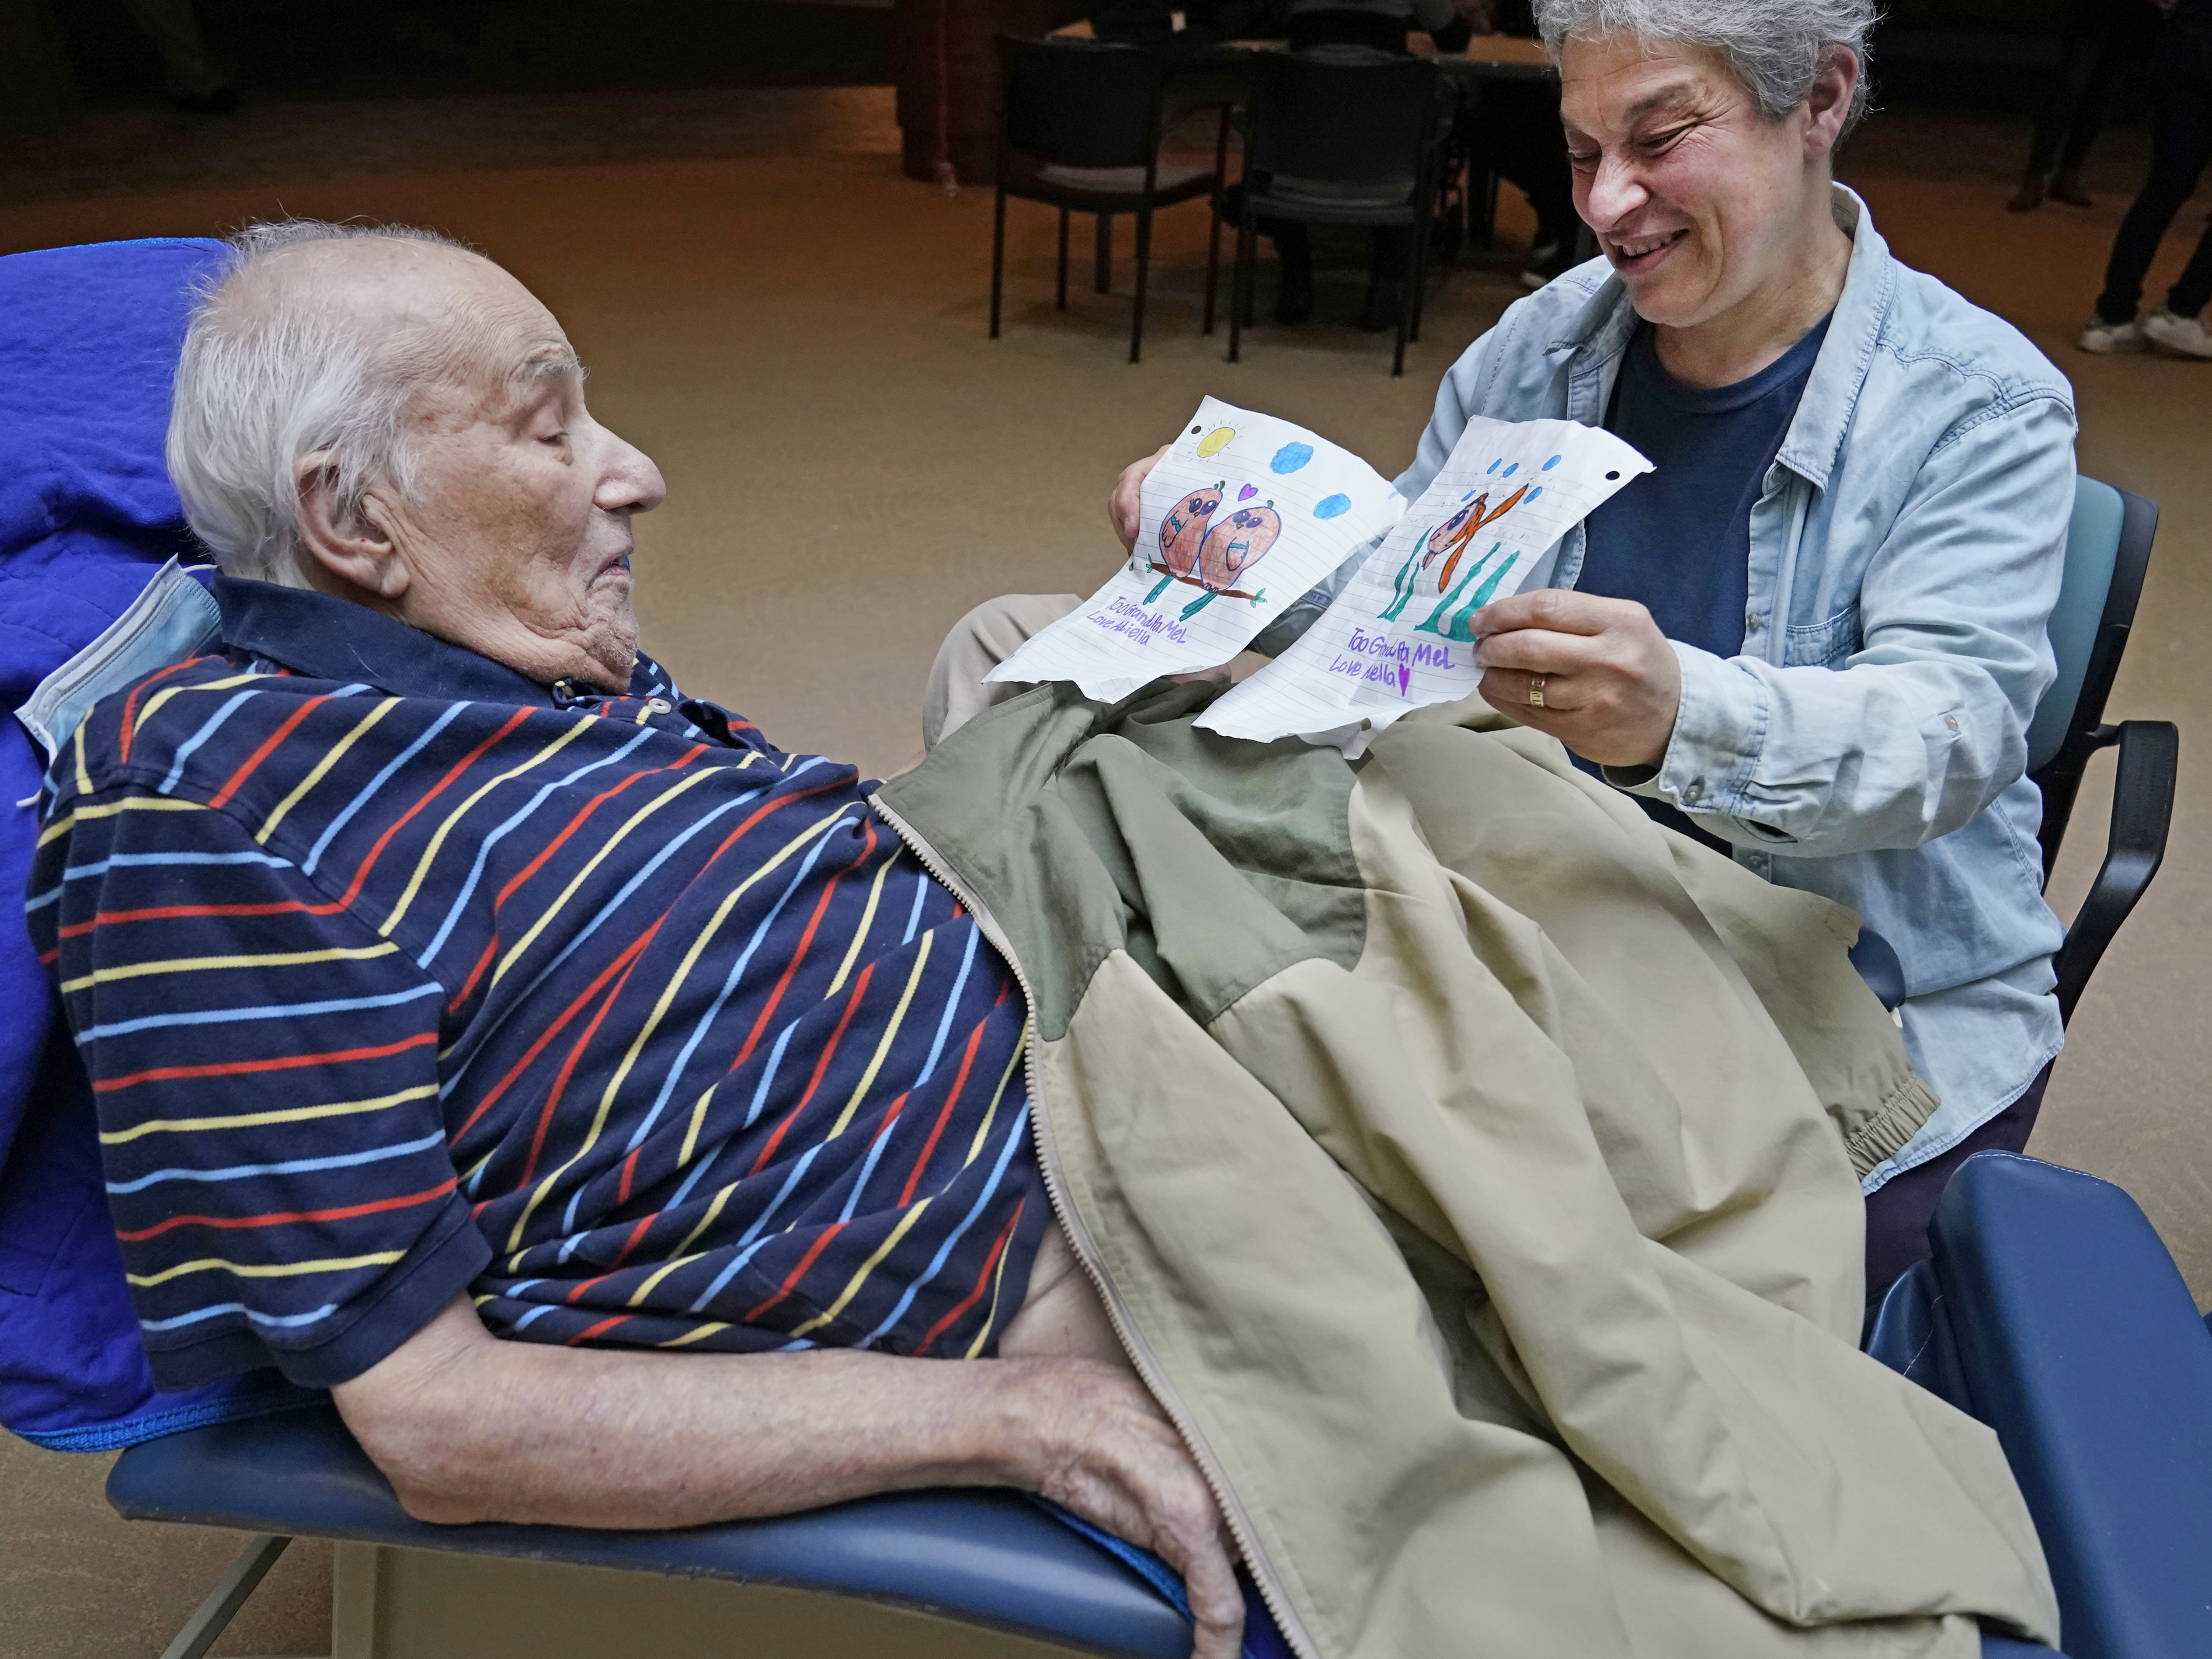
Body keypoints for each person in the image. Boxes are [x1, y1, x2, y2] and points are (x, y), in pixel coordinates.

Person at [29, 219, 2061, 1658]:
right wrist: (1015, 1415)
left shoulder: (504, 657)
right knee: (1695, 1520)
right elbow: (437, 1419)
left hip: (1060, 977)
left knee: (1335, 716)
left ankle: (1729, 1155)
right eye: (552, 429)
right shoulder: (196, 807)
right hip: (1056, 1210)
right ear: (354, 519)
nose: (633, 469)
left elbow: (728, 885)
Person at [988, 0, 2079, 1299]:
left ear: (1823, 100)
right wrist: (1253, 541)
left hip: (1832, 978)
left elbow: (1946, 734)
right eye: (1576, 153)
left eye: (1661, 137)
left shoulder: (1972, 404)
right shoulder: (1551, 342)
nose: (1609, 204)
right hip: (1535, 909)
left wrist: (1680, 712)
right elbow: (1401, 606)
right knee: (1018, 672)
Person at [2079, 0, 2212, 358]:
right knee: (2163, 191)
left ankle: (2111, 318)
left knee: (2162, 189)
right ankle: (2182, 310)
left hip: (2186, 52)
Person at [2006, 0, 2161, 213]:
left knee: (2100, 103)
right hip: (2095, 18)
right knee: (2066, 96)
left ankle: (2066, 174)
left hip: (2133, 23)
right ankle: (2037, 175)